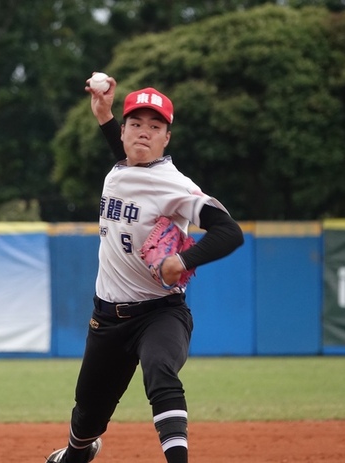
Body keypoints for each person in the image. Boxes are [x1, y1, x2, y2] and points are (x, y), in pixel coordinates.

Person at [45, 74, 244, 463]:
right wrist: (103, 113)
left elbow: (229, 231)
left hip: (160, 312)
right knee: (88, 413)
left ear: (166, 138)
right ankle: (77, 453)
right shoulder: (119, 169)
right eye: (135, 124)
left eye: (155, 127)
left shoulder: (174, 185)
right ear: (122, 133)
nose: (144, 132)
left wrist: (182, 260)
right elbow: (130, 158)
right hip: (108, 317)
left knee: (160, 371)